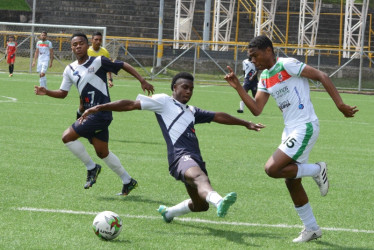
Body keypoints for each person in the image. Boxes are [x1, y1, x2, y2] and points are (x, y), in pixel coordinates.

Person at [79, 72, 265, 221]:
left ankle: (168, 213)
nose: (189, 91)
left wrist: (245, 123)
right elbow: (130, 104)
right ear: (174, 87)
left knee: (200, 206)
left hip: (194, 158)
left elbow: (218, 116)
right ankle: (219, 201)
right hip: (179, 157)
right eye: (185, 87)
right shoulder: (163, 101)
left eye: (191, 89)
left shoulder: (192, 111)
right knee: (200, 178)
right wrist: (99, 107)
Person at [224, 35, 358, 243]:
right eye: (250, 57)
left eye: (254, 55)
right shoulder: (265, 77)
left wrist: (340, 104)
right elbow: (257, 109)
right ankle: (312, 228)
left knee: (271, 169)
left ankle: (317, 169)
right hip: (290, 130)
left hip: (304, 127)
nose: (253, 61)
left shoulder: (287, 65)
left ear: (268, 50)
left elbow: (322, 75)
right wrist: (238, 88)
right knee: (291, 181)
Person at [34, 33, 155, 195]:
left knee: (67, 137)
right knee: (102, 152)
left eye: (81, 43)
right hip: (87, 114)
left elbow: (123, 65)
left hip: (101, 113)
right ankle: (128, 181)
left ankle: (92, 168)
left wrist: (142, 80)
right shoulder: (70, 69)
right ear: (71, 47)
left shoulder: (99, 61)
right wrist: (46, 91)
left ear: (87, 45)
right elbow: (63, 93)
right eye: (75, 44)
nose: (78, 46)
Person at [75, 32, 113, 119]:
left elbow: (108, 67)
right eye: (96, 39)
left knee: (99, 106)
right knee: (83, 106)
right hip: (87, 83)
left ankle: (95, 124)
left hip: (100, 83)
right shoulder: (87, 51)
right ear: (92, 40)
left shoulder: (104, 52)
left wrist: (110, 79)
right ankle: (78, 123)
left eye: (100, 40)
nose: (98, 42)